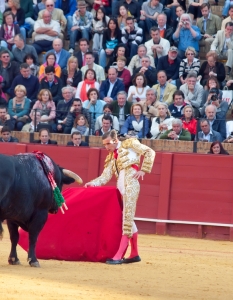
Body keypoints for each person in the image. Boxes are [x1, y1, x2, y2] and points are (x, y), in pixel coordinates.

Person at [85, 129, 155, 264]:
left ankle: (118, 255)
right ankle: (134, 253)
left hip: (131, 186)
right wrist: (92, 184)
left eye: (108, 144)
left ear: (115, 140)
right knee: (127, 218)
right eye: (104, 144)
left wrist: (144, 169)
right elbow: (105, 177)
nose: (106, 147)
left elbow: (150, 152)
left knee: (126, 219)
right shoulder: (112, 157)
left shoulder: (130, 144)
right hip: (121, 189)